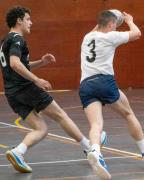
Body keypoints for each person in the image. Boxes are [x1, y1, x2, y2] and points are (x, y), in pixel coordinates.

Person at [0, 6, 106, 174]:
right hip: (25, 88)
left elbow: (18, 65)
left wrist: (41, 63)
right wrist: (37, 79)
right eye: (28, 19)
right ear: (19, 20)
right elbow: (15, 63)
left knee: (41, 129)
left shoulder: (6, 40)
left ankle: (18, 151)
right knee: (60, 115)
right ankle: (89, 148)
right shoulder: (17, 39)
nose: (31, 22)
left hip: (12, 94)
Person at [79, 10, 144, 179]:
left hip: (86, 85)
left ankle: (95, 150)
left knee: (96, 124)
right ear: (111, 25)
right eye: (114, 24)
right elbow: (137, 34)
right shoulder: (111, 36)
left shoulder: (87, 37)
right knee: (128, 113)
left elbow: (101, 23)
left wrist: (113, 16)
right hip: (104, 82)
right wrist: (129, 21)